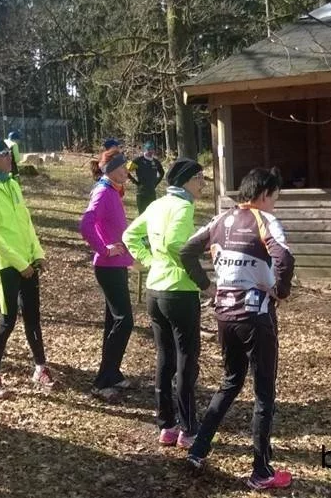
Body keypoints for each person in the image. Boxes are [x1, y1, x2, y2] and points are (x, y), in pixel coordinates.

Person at [179, 167, 296, 491]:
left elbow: (186, 251)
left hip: (225, 315)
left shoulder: (221, 220)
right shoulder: (265, 220)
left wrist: (207, 286)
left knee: (231, 381)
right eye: (275, 198)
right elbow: (284, 259)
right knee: (264, 393)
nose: (275, 204)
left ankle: (198, 448)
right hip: (256, 317)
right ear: (264, 195)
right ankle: (261, 472)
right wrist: (281, 291)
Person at [122, 158, 205, 449]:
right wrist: (200, 279)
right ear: (186, 181)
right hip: (179, 292)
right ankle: (189, 430)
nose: (203, 183)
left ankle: (166, 426)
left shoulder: (157, 205)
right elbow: (174, 244)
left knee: (165, 357)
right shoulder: (183, 207)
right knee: (186, 360)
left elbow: (130, 235)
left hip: (155, 291)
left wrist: (149, 262)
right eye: (199, 178)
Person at [0, 136, 56, 399]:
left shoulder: (12, 183)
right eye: (5, 154)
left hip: (28, 261)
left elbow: (26, 222)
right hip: (6, 265)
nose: (10, 158)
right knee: (7, 321)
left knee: (33, 317)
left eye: (9, 153)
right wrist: (19, 263)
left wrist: (37, 253)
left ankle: (40, 367)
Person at [79, 150, 135, 402]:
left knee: (114, 321)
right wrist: (104, 249)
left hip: (117, 265)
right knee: (125, 321)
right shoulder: (102, 191)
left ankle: (112, 374)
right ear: (110, 169)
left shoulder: (112, 191)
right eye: (122, 167)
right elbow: (86, 224)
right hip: (108, 266)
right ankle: (101, 382)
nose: (126, 172)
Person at [127, 141, 165, 213]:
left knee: (152, 215)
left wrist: (155, 183)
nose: (151, 152)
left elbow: (162, 173)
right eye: (148, 150)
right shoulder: (138, 160)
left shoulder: (156, 162)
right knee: (142, 215)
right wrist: (135, 182)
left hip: (152, 193)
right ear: (145, 150)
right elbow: (126, 170)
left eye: (152, 149)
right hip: (141, 193)